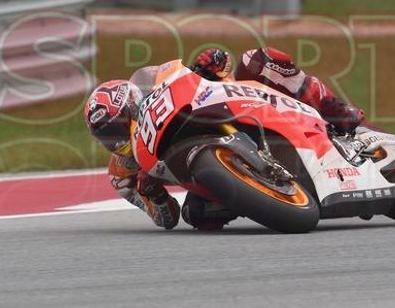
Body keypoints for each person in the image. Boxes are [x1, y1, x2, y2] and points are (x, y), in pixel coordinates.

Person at [84, 47, 364, 230]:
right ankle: (263, 192)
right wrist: (154, 195)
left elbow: (224, 66)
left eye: (121, 125)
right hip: (202, 174)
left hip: (238, 108)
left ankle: (334, 109)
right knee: (195, 216)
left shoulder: (161, 97)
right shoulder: (121, 173)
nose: (118, 139)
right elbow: (165, 218)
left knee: (256, 59)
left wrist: (210, 64)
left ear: (135, 104)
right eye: (110, 137)